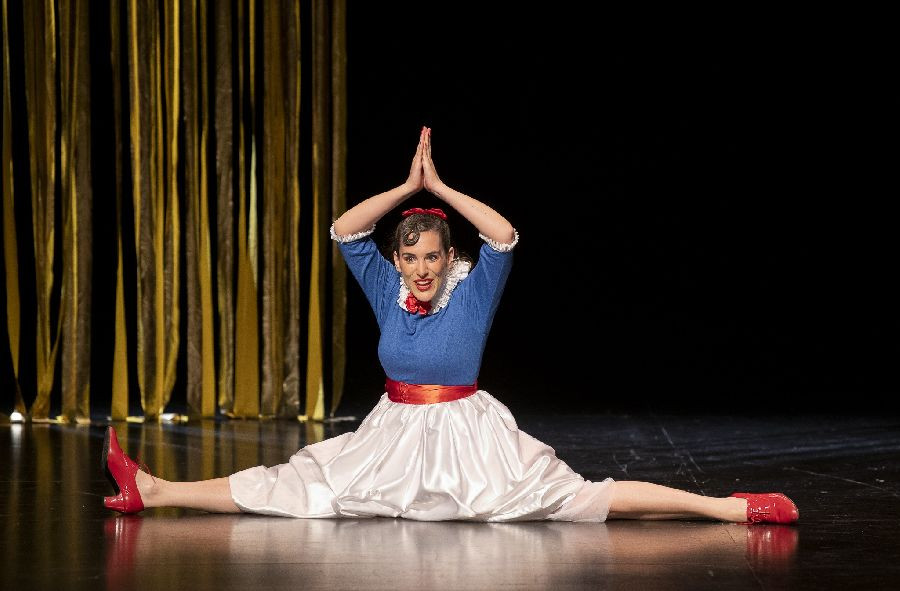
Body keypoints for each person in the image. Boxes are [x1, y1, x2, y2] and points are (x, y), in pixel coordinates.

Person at [102, 126, 799, 525]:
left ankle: (728, 509)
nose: (422, 269)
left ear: (447, 258)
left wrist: (439, 189)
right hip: (393, 434)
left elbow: (506, 234)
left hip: (469, 435)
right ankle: (157, 491)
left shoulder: (472, 291)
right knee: (301, 485)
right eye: (411, 258)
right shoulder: (387, 287)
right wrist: (407, 189)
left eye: (432, 257)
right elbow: (345, 229)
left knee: (577, 499)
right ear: (399, 261)